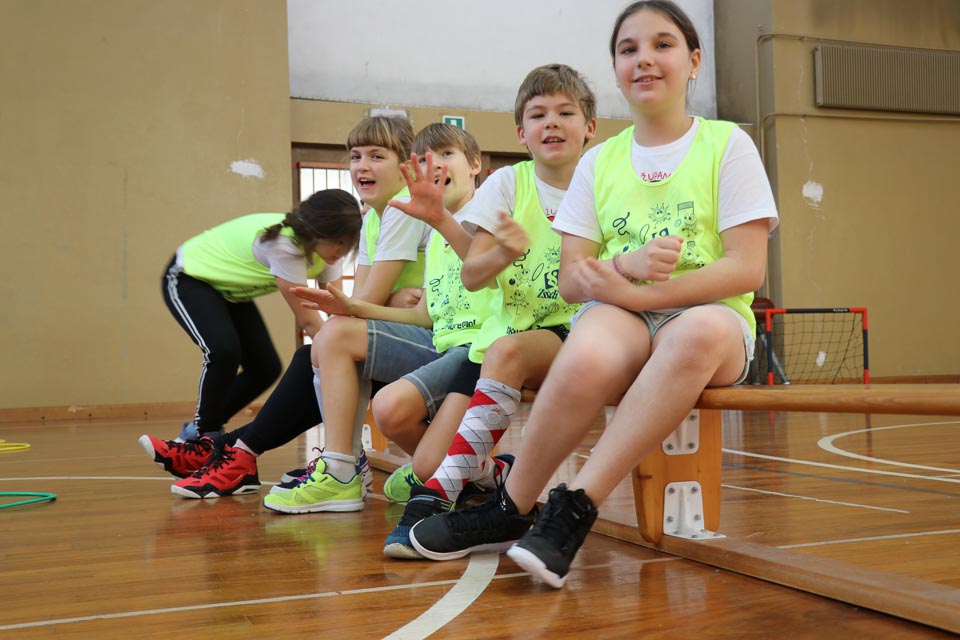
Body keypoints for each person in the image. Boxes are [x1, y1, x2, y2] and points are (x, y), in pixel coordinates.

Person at [408, 0, 779, 588]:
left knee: (694, 333)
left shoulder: (727, 144)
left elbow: (745, 269)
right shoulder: (600, 161)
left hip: (712, 319)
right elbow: (572, 276)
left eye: (662, 45)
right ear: (616, 70)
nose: (644, 58)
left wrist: (643, 294)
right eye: (629, 49)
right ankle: (512, 506)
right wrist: (623, 272)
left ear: (694, 61)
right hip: (622, 311)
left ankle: (576, 505)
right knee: (588, 347)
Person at [140, 115, 429, 497]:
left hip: (433, 337)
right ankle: (221, 445)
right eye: (356, 156)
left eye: (377, 156)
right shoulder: (370, 220)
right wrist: (377, 302)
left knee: (318, 348)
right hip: (192, 275)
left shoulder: (400, 210)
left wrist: (367, 304)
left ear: (406, 164)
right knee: (293, 348)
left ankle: (232, 451)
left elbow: (357, 304)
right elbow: (354, 304)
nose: (362, 166)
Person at [383, 63, 599, 558]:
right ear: (521, 132)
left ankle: (439, 495)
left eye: (565, 112)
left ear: (589, 126)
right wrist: (501, 251)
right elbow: (473, 274)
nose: (551, 122)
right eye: (538, 114)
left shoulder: (602, 180)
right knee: (425, 456)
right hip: (500, 340)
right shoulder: (508, 184)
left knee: (507, 351)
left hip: (577, 331)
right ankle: (486, 476)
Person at [261, 123, 496, 516]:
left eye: (447, 154)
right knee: (354, 365)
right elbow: (421, 313)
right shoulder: (409, 223)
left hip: (475, 349)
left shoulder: (463, 216)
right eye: (355, 156)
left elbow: (488, 280)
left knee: (335, 343)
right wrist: (350, 308)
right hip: (438, 339)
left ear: (475, 164)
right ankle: (342, 465)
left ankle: (344, 467)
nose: (437, 165)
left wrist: (356, 308)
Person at [157, 188, 362, 445]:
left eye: (348, 242)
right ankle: (203, 434)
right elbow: (310, 321)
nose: (343, 250)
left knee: (265, 368)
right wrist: (344, 358)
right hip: (190, 275)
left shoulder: (328, 254)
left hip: (230, 292)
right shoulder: (285, 246)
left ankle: (196, 434)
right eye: (338, 241)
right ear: (316, 230)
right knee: (223, 351)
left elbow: (336, 308)